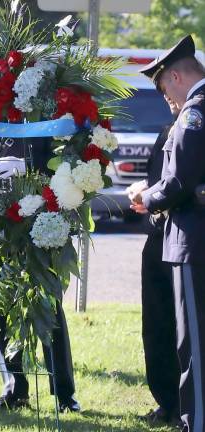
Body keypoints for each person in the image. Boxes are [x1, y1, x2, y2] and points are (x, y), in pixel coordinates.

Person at [129, 35, 205, 432]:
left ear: (175, 76)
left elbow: (177, 182)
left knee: (192, 344)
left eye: (163, 89)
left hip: (192, 240)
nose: (166, 99)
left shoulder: (195, 112)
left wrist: (147, 197)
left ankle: (196, 421)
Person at [0, 137, 80, 413]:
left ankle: (64, 394)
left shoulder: (41, 109)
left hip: (41, 218)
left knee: (49, 304)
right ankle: (14, 387)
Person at [128, 98, 181, 426]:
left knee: (183, 327)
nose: (166, 98)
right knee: (157, 325)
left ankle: (185, 405)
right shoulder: (168, 130)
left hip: (184, 240)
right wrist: (146, 191)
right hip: (158, 236)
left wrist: (150, 194)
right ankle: (166, 399)